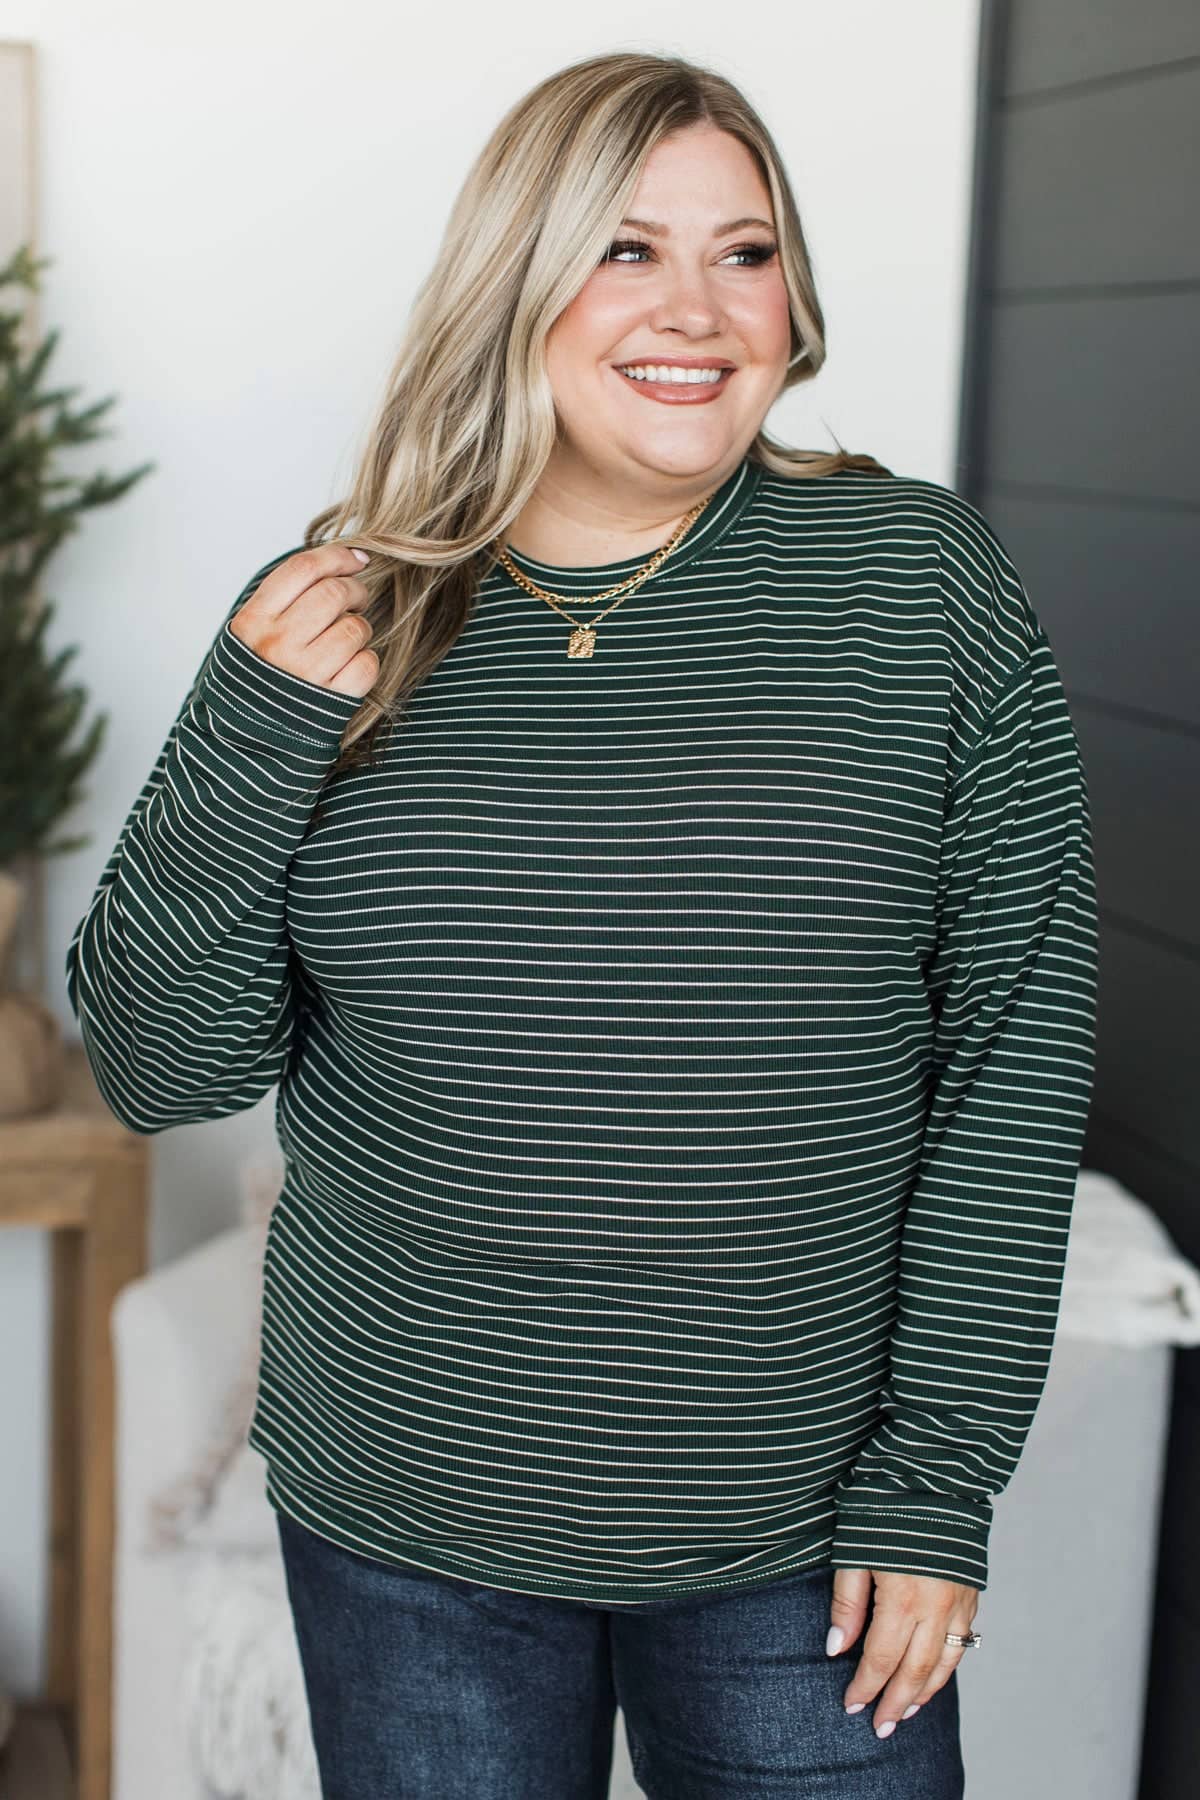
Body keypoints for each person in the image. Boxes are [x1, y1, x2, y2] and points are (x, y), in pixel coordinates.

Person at [65, 49, 1099, 1800]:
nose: (699, 308)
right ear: (515, 280)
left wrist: (935, 1479)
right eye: (627, 249)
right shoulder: (340, 617)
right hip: (407, 1526)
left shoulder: (919, 588)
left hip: (804, 1536)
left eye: (745, 252)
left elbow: (1014, 1051)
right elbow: (160, 1073)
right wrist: (253, 733)